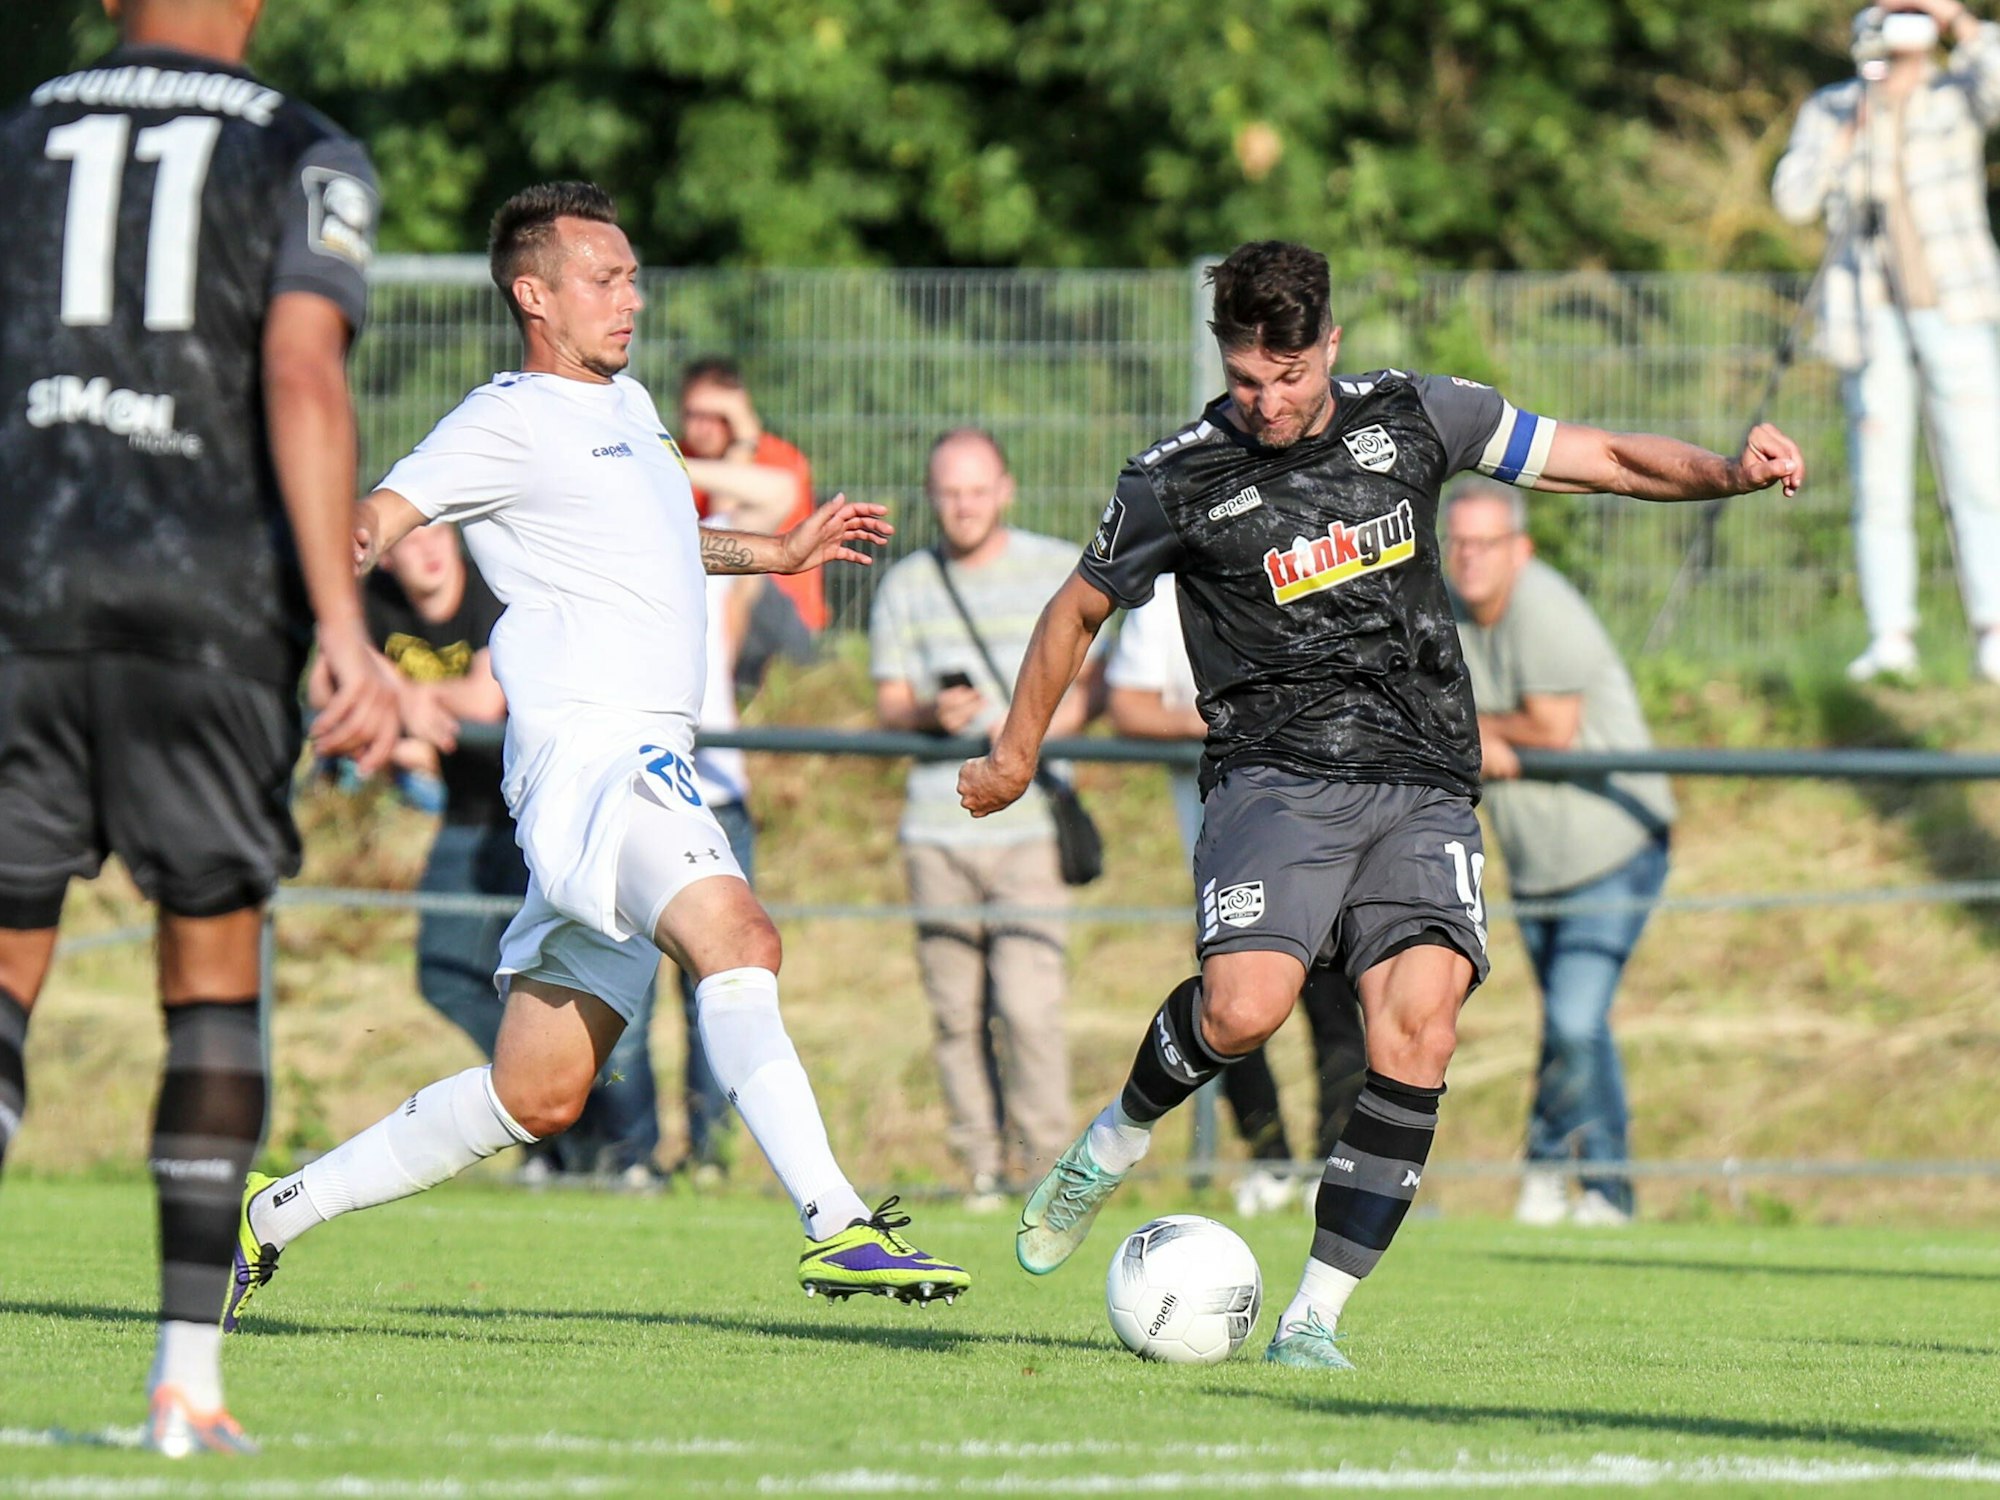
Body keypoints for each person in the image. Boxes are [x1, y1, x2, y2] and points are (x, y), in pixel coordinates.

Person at [959, 239, 1802, 1370]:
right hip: (1274, 777)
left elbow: (1591, 457)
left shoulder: (1414, 416)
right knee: (1243, 1011)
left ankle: (1311, 1321)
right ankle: (1112, 1139)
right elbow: (1073, 611)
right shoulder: (1176, 477)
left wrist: (1726, 473)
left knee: (1421, 1030)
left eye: (1289, 377)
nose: (1266, 402)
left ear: (1328, 348)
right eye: (1246, 379)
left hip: (1421, 784)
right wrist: (1016, 753)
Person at [228, 181, 967, 1329]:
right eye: (602, 278)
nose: (630, 297)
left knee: (539, 1090)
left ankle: (271, 1214)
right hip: (598, 754)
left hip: (620, 760)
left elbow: (652, 535)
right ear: (533, 293)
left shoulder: (623, 406)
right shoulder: (509, 416)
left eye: (631, 277)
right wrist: (332, 605)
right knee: (739, 933)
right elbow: (380, 516)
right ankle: (837, 1224)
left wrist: (772, 550)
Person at [0, 0, 400, 1456]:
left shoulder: (23, 134)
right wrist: (341, 631)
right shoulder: (304, 149)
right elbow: (301, 370)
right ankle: (185, 1383)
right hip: (207, 618)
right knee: (210, 971)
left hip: (23, 598)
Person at [348, 525, 665, 1186]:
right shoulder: (371, 602)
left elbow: (484, 699)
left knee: (586, 989)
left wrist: (399, 695)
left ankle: (625, 1155)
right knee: (443, 975)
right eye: (408, 539)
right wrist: (405, 699)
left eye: (436, 531)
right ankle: (547, 1102)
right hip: (464, 818)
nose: (428, 549)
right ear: (387, 553)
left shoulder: (494, 589)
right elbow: (333, 679)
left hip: (542, 819)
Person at [1445, 479, 1676, 1228]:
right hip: (1540, 863)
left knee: (1575, 1021)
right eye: (1458, 543)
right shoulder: (1447, 613)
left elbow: (1552, 727)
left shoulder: (1541, 603)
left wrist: (1486, 733)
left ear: (1522, 550)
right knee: (1574, 1023)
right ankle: (1562, 1173)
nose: (1469, 559)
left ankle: (1599, 1186)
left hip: (1612, 847)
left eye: (1486, 544)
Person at [870, 429, 1090, 1211]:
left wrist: (1030, 732)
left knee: (1030, 1010)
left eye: (976, 489)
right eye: (949, 492)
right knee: (955, 1013)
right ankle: (980, 1171)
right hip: (937, 825)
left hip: (1026, 828)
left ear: (1006, 489)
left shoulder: (1055, 566)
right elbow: (890, 703)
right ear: (932, 497)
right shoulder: (907, 585)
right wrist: (932, 712)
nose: (963, 506)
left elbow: (1088, 682)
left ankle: (1046, 1173)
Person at [1106, 577, 1369, 1214]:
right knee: (1233, 1005)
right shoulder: (1167, 594)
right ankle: (1270, 1158)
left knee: (1334, 997)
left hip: (1324, 828)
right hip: (1228, 842)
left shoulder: (1307, 562)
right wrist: (1234, 713)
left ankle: (1333, 1165)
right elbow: (1130, 706)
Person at [1773, 0, 2000, 684]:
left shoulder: (1956, 90)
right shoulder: (1836, 106)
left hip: (1954, 305)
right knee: (1878, 482)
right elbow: (1791, 200)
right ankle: (1889, 636)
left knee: (1980, 474)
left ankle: (1993, 628)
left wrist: (1956, 19)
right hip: (1866, 318)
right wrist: (1851, 131)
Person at [680, 357, 827, 637]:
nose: (704, 428)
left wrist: (744, 440)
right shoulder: (682, 455)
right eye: (693, 415)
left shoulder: (779, 459)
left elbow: (726, 533)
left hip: (780, 613)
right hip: (707, 602)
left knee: (741, 566)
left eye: (719, 417)